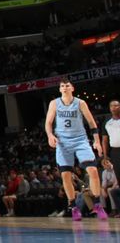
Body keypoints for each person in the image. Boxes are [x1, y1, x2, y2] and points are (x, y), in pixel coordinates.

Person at [45, 78, 108, 220]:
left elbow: (92, 123)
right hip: (62, 142)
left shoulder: (80, 103)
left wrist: (97, 141)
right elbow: (48, 122)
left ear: (72, 88)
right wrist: (50, 135)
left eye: (67, 85)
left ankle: (98, 205)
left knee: (92, 170)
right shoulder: (54, 103)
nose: (65, 87)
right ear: (60, 89)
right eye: (62, 86)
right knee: (65, 176)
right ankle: (74, 207)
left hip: (80, 140)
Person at [102, 99, 120, 171]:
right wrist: (105, 156)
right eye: (111, 106)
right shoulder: (106, 122)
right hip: (115, 151)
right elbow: (104, 140)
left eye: (116, 106)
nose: (113, 108)